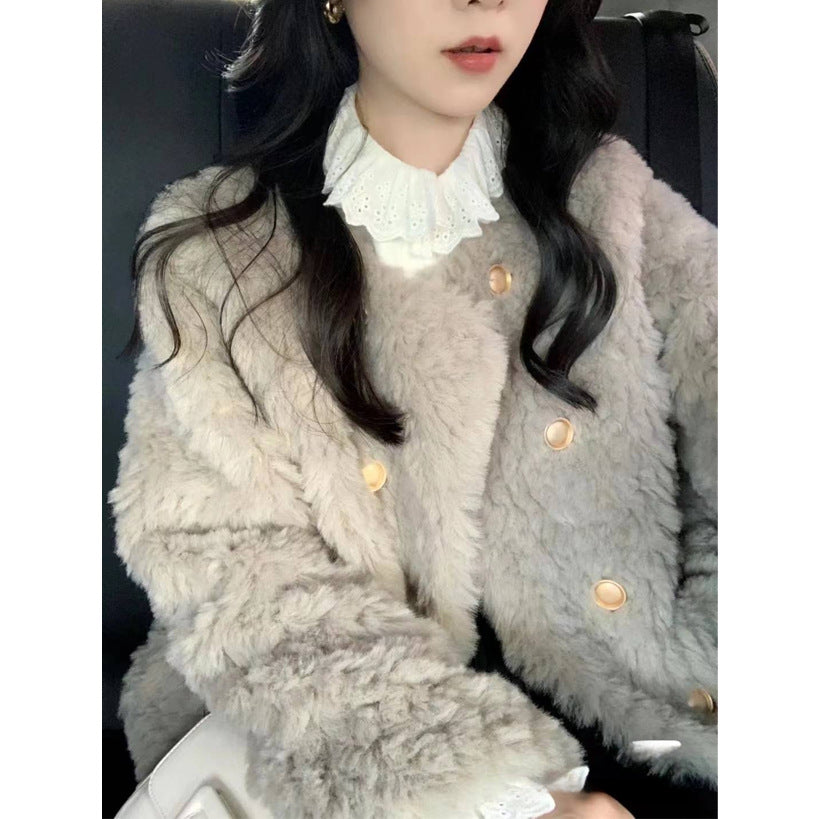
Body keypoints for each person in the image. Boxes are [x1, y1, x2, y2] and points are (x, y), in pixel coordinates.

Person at [109, 1, 717, 817]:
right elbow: (226, 564)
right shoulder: (222, 252)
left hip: (641, 712)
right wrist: (497, 799)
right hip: (341, 731)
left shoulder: (612, 197)